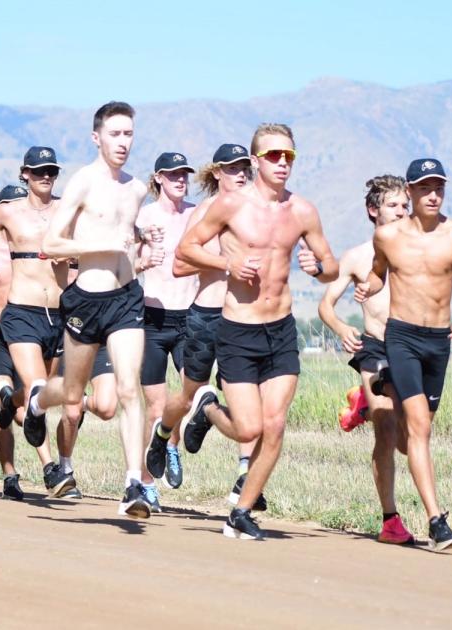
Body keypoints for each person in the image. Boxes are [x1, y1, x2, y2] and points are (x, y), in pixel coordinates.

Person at [177, 124, 338, 539]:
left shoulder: (303, 210)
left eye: (289, 156)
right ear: (255, 161)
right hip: (238, 330)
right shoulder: (230, 206)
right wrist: (228, 265)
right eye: (273, 156)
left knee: (276, 426)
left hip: (280, 330)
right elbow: (186, 250)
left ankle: (242, 511)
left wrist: (317, 269)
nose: (282, 162)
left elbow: (331, 266)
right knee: (249, 429)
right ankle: (207, 407)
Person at [23, 101, 163, 519]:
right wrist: (102, 247)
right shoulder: (83, 182)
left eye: (129, 134)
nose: (123, 142)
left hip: (125, 299)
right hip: (86, 300)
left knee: (126, 389)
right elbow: (51, 243)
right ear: (96, 137)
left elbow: (128, 238)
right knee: (69, 393)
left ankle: (133, 484)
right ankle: (34, 403)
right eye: (115, 134)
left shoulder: (137, 188)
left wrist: (143, 242)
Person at [354, 158, 452, 551]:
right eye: (425, 187)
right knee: (420, 426)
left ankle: (369, 400)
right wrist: (368, 288)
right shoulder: (388, 237)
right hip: (402, 337)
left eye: (439, 187)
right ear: (409, 191)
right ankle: (437, 521)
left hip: (438, 341)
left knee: (412, 440)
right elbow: (378, 272)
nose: (433, 194)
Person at [153, 144, 263, 511]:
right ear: (217, 173)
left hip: (244, 319)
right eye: (232, 168)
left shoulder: (261, 213)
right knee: (186, 396)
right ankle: (166, 434)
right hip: (205, 314)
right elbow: (180, 265)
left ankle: (246, 478)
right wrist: (226, 263)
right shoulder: (206, 211)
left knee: (249, 403)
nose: (241, 173)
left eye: (245, 167)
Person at [0, 148, 74, 498]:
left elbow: (86, 249)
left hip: (56, 317)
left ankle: (10, 406)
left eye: (52, 171)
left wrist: (77, 256)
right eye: (39, 170)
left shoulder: (65, 209)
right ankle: (26, 472)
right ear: (25, 173)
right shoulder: (8, 216)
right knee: (35, 388)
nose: (46, 176)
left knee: (34, 396)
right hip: (13, 320)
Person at [318, 174, 414, 544]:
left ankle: (362, 402)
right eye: (393, 205)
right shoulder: (357, 257)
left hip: (411, 347)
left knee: (410, 441)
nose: (401, 211)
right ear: (373, 210)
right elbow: (326, 305)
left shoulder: (418, 250)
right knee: (387, 432)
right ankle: (390, 519)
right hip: (375, 348)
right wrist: (342, 328)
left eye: (405, 205)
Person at [134, 152, 198, 510]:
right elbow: (127, 260)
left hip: (189, 319)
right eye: (172, 175)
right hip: (153, 320)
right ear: (158, 177)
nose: (179, 180)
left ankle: (170, 444)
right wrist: (144, 260)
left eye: (184, 174)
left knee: (192, 395)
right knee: (155, 405)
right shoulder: (144, 216)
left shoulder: (196, 214)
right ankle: (146, 482)